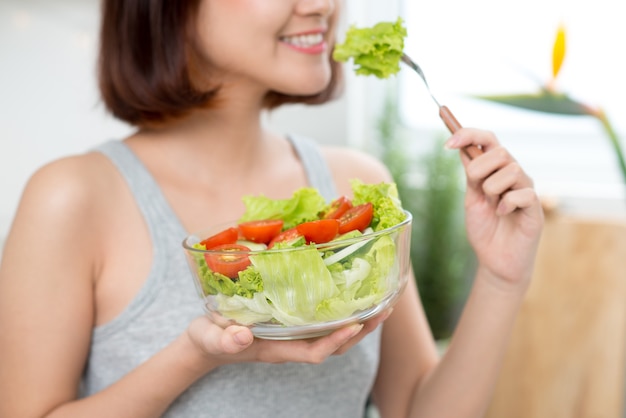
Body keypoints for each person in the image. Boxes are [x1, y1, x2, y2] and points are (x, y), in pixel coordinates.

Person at [0, 0, 544, 417]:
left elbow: (416, 408)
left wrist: (501, 278)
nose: (322, 6)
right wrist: (198, 356)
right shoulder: (72, 199)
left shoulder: (356, 184)